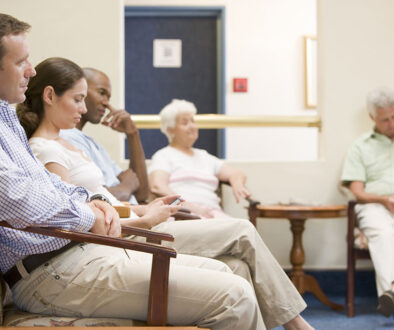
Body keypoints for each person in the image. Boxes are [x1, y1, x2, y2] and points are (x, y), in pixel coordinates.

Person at [0, 13, 272, 329]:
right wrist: (97, 213)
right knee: (235, 291)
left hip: (83, 246)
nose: (30, 70)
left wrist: (96, 203)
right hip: (50, 268)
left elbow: (50, 186)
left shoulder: (8, 118)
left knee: (231, 271)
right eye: (21, 62)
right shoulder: (40, 141)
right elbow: (17, 197)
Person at [149, 99, 251, 218]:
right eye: (185, 123)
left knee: (245, 228)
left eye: (193, 121)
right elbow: (157, 186)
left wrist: (237, 183)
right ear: (170, 130)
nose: (192, 126)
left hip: (212, 213)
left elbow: (237, 173)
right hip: (182, 215)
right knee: (242, 229)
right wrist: (190, 207)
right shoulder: (164, 155)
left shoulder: (204, 156)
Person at [341, 86, 394, 317]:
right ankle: (392, 291)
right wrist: (384, 199)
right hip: (375, 205)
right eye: (385, 120)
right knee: (383, 233)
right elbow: (357, 191)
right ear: (373, 117)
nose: (392, 123)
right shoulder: (360, 146)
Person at [60, 67, 148, 204]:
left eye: (108, 97)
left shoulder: (93, 144)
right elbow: (93, 198)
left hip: (137, 216)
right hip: (122, 222)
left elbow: (142, 193)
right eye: (102, 93)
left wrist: (132, 134)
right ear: (81, 91)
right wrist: (126, 187)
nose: (106, 103)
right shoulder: (66, 137)